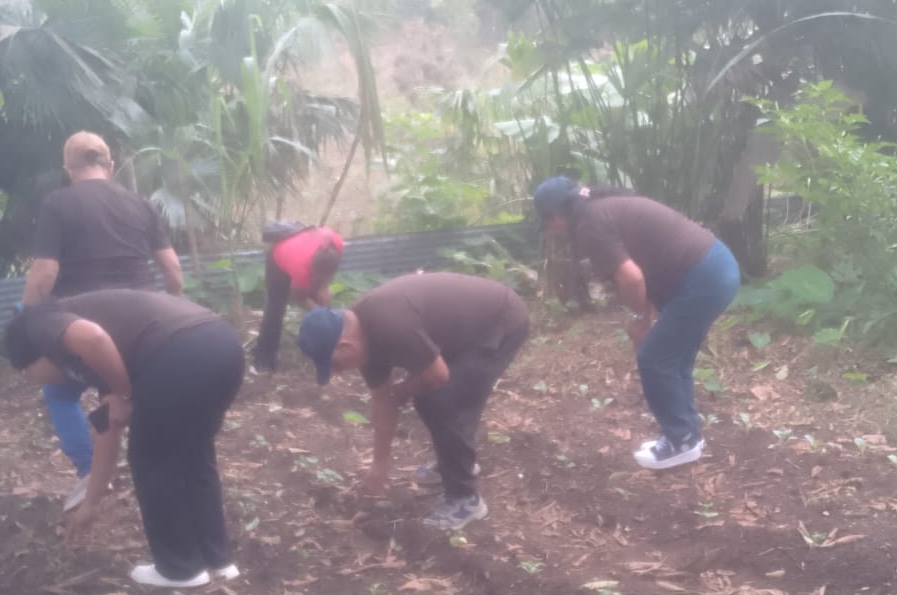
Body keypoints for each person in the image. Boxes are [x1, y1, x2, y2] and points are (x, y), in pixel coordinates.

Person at [2, 289, 244, 588]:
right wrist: (91, 503)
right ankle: (219, 560)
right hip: (221, 344)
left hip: (177, 351)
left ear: (35, 355)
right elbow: (109, 430)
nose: (36, 380)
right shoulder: (103, 360)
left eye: (28, 372)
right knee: (193, 454)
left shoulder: (38, 325)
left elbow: (94, 337)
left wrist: (123, 394)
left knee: (151, 460)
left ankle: (180, 569)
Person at [21, 131, 185, 513]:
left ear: (68, 168)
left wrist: (26, 320)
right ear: (109, 165)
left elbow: (45, 273)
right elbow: (173, 270)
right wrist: (174, 310)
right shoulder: (141, 204)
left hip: (86, 325)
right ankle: (165, 473)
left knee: (61, 393)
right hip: (145, 321)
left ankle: (88, 473)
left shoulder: (58, 204)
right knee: (146, 395)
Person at [533, 178, 740, 470]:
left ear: (555, 217)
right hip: (714, 266)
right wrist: (645, 313)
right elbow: (646, 262)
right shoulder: (603, 209)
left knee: (655, 358)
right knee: (673, 357)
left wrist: (639, 319)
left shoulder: (590, 224)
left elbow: (631, 278)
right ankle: (686, 437)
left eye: (547, 223)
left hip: (703, 276)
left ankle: (681, 442)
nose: (551, 230)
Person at [296, 273, 528, 532]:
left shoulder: (389, 325)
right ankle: (451, 461)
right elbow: (383, 401)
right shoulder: (362, 338)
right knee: (432, 397)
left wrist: (403, 390)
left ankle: (466, 499)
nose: (339, 372)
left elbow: (437, 376)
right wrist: (379, 466)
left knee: (443, 401)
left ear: (345, 346)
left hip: (498, 322)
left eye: (336, 365)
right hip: (459, 333)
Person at [250, 220, 345, 373]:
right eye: (316, 277)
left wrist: (324, 287)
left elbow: (327, 275)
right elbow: (300, 297)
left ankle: (324, 349)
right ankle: (263, 360)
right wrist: (322, 314)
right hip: (278, 260)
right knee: (275, 310)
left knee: (322, 300)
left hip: (301, 251)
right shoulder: (301, 267)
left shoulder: (337, 244)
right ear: (312, 269)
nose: (317, 280)